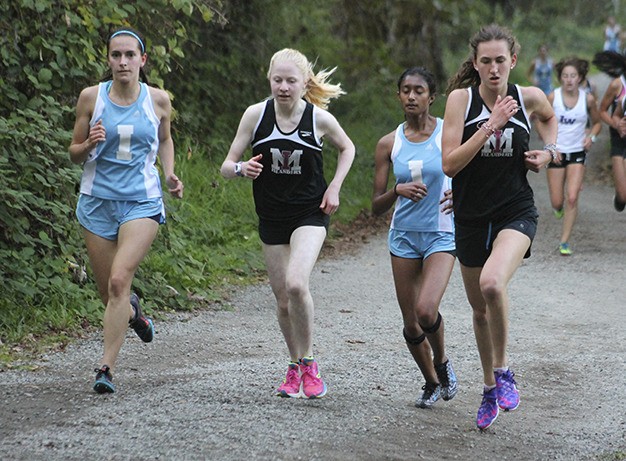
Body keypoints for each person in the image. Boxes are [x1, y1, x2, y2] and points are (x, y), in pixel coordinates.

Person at [220, 48, 355, 399]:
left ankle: (310, 364)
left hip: (310, 213)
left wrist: (335, 187)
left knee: (297, 284)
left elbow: (348, 148)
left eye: (291, 81)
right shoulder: (255, 115)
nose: (283, 87)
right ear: (269, 80)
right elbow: (227, 164)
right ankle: (294, 365)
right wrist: (241, 169)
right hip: (271, 217)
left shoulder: (318, 119)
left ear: (304, 83)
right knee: (282, 301)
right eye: (277, 80)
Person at [441, 24, 558, 430]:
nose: (494, 69)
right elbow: (450, 164)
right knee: (479, 311)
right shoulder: (461, 100)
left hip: (515, 210)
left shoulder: (528, 98)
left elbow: (549, 119)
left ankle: (503, 369)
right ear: (475, 64)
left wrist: (551, 153)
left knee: (493, 284)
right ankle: (489, 387)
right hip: (471, 215)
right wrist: (490, 123)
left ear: (513, 62)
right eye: (486, 61)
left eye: (500, 61)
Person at [68, 28, 184, 394]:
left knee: (120, 281)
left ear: (142, 60)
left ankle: (105, 368)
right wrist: (88, 143)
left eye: (130, 55)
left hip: (141, 201)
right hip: (97, 203)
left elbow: (165, 139)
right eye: (116, 55)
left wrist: (169, 174)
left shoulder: (158, 100)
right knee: (110, 296)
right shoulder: (91, 98)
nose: (123, 62)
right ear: (108, 60)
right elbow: (73, 152)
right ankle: (133, 314)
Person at [371, 67, 458, 409]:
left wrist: (462, 195)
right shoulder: (388, 143)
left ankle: (442, 361)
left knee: (426, 310)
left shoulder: (447, 136)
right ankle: (430, 382)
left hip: (441, 232)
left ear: (431, 97)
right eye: (405, 90)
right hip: (404, 236)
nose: (411, 96)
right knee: (410, 325)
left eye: (418, 90)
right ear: (398, 96)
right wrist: (397, 189)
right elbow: (376, 207)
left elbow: (468, 170)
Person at [546, 58, 602, 255]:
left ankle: (564, 242)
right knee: (557, 201)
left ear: (580, 78)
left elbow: (597, 122)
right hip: (556, 153)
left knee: (572, 197)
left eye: (573, 76)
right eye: (565, 76)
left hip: (578, 152)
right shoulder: (553, 97)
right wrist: (550, 145)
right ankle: (558, 208)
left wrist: (592, 137)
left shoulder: (588, 99)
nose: (569, 80)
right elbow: (540, 120)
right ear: (560, 78)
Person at [593, 50, 626, 212]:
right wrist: (616, 124)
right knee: (622, 197)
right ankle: (619, 197)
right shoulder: (617, 84)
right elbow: (603, 111)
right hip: (619, 140)